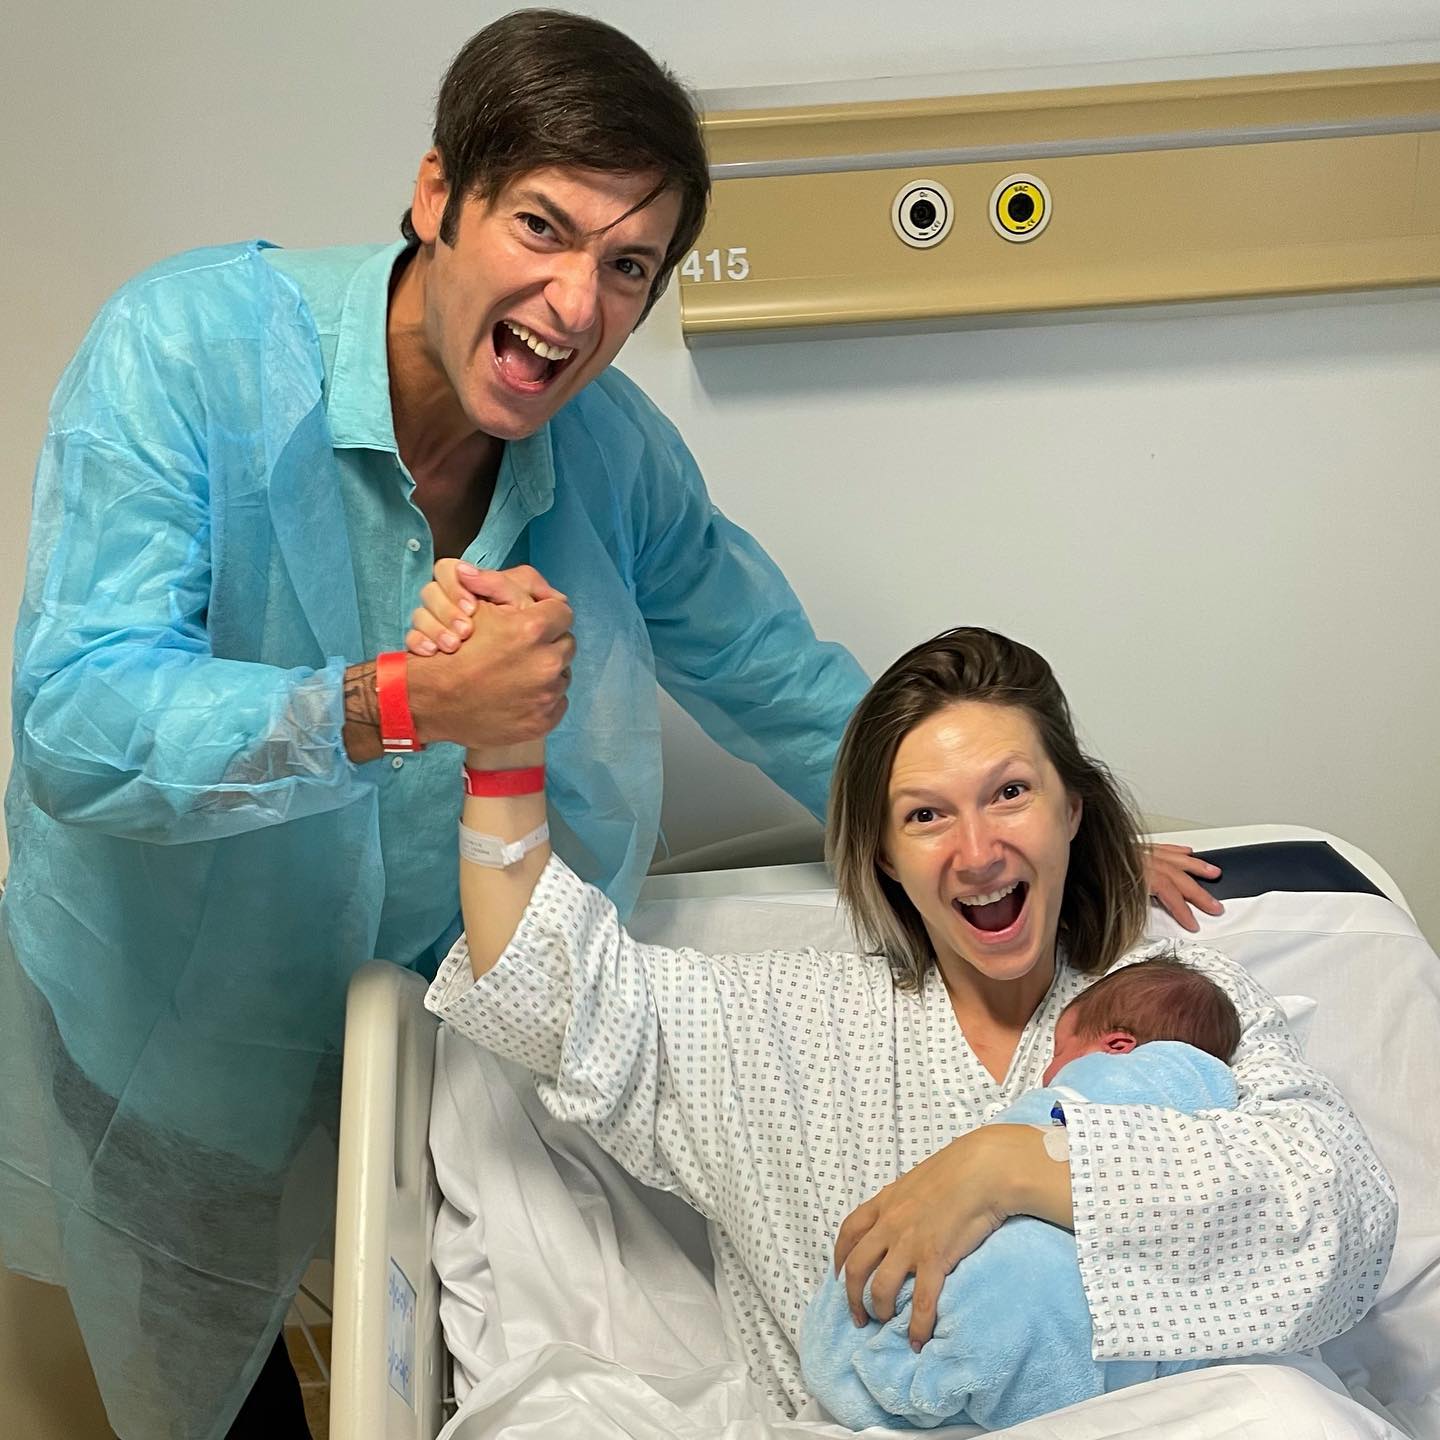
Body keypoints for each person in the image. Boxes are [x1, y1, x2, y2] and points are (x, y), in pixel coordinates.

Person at [0, 11, 1216, 1437]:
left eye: (628, 266)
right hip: (184, 1009)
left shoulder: (615, 455)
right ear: (437, 194)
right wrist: (402, 703)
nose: (576, 305)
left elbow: (774, 671)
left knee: (421, 1309)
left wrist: (1032, 822)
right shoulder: (189, 354)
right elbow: (78, 718)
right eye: (541, 227)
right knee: (203, 1376)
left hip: (453, 1030)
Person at [425, 625, 1397, 1429]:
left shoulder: (1178, 1006)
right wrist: (501, 753)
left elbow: (1341, 1222)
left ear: (1072, 810)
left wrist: (1011, 1169)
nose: (978, 852)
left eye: (1010, 794)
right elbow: (543, 983)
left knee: (1288, 1416)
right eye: (926, 816)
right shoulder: (778, 1025)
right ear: (885, 856)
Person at [800, 958, 1245, 1431]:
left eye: (1059, 1050)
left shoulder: (1088, 1093)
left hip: (999, 1309)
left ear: (1117, 1047)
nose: (1047, 1073)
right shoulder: (1217, 1122)